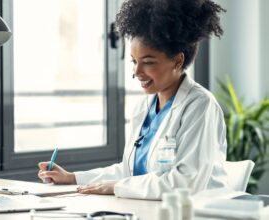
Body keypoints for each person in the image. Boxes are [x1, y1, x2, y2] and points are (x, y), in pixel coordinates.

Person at [38, 0, 228, 200]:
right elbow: (129, 172)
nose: (136, 72)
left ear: (178, 60)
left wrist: (116, 187)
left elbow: (185, 183)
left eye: (148, 62)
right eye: (134, 61)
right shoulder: (144, 107)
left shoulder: (200, 106)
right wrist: (72, 178)